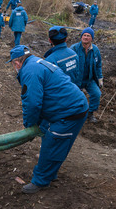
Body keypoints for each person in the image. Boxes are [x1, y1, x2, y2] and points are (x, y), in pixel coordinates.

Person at [8, 45, 88, 194]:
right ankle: (51, 172)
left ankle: (41, 181)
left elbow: (32, 103)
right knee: (52, 138)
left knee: (53, 143)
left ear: (16, 63)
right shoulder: (36, 62)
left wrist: (29, 126)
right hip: (72, 106)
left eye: (13, 65)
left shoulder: (29, 72)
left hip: (69, 112)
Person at [71, 27, 103, 122]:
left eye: (88, 36)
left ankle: (90, 114)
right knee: (75, 98)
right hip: (76, 80)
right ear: (81, 37)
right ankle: (73, 114)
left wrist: (100, 78)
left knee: (96, 94)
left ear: (91, 38)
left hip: (89, 79)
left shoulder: (95, 50)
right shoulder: (74, 49)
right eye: (84, 35)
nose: (85, 37)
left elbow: (98, 65)